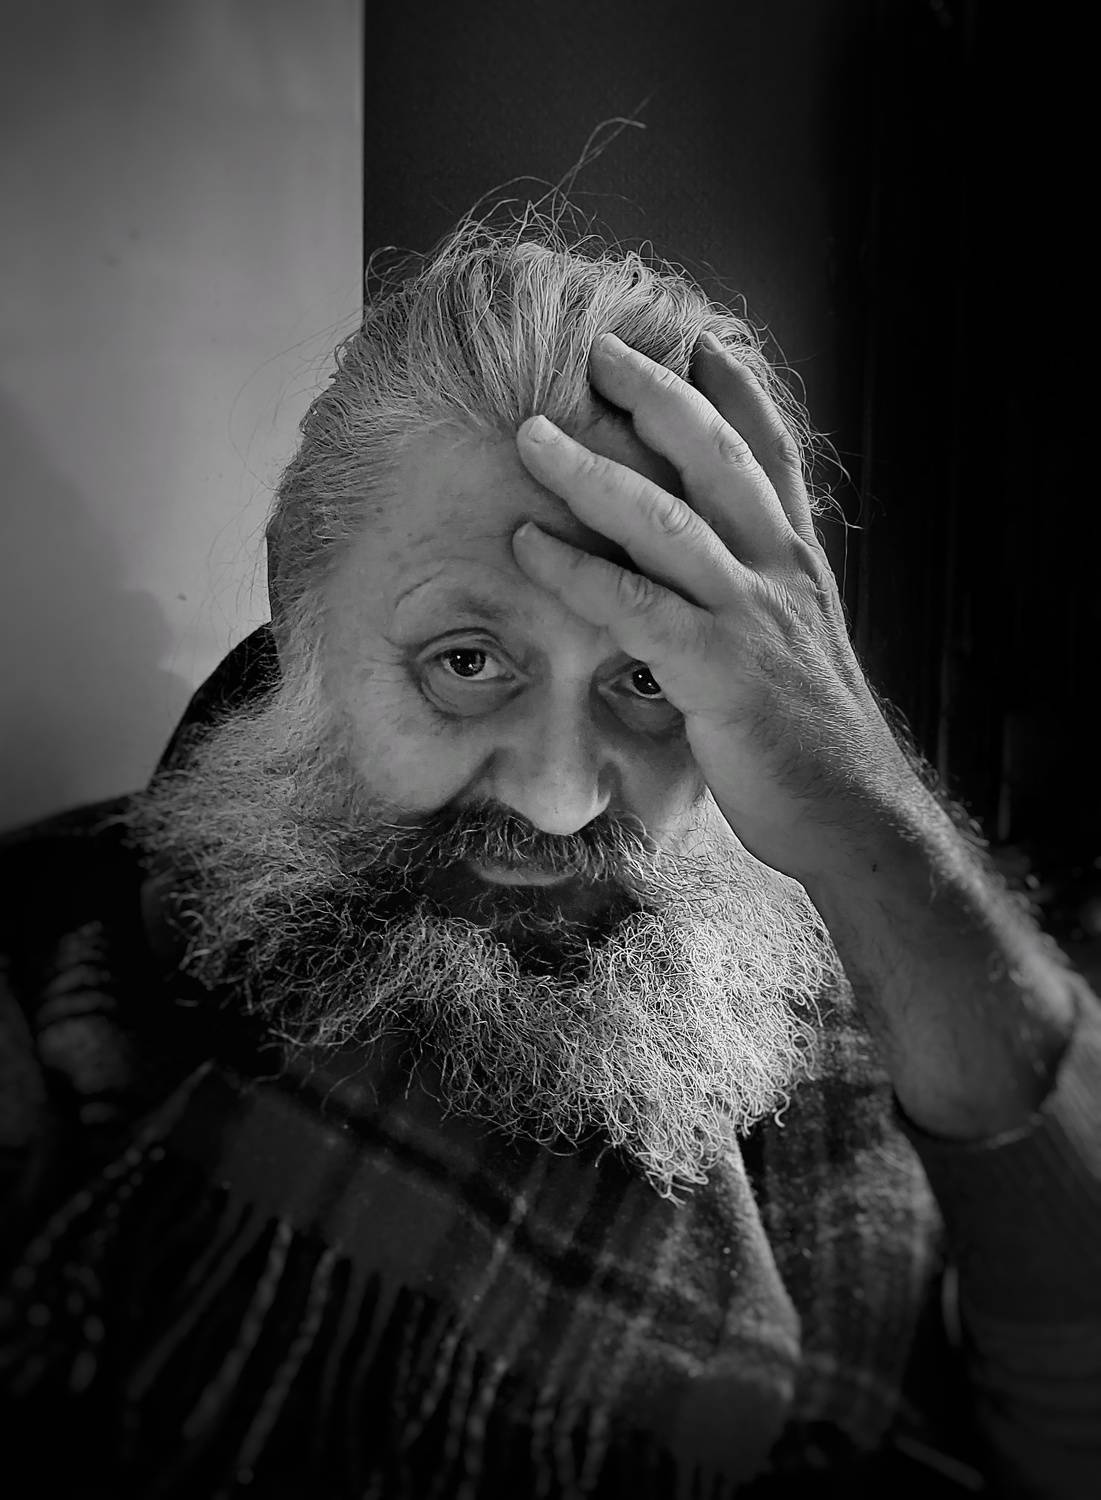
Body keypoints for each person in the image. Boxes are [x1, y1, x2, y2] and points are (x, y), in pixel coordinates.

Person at [1, 204, 1098, 1500]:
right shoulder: (53, 981)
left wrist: (869, 811)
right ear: (299, 614)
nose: (562, 799)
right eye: (466, 662)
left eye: (650, 679)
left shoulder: (861, 1025)